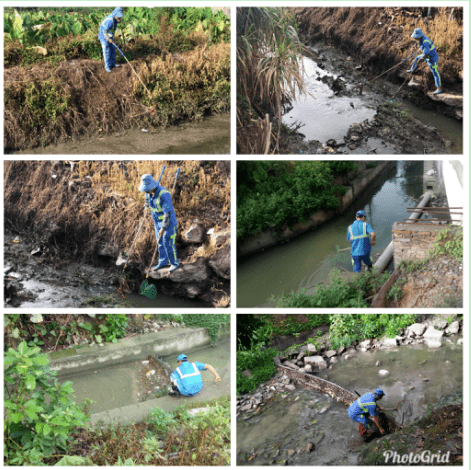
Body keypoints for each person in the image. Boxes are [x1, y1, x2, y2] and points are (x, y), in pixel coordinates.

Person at [138, 174, 180, 272]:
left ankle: (174, 263)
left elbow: (167, 213)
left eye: (146, 189)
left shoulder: (164, 194)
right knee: (160, 242)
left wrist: (163, 228)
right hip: (156, 222)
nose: (145, 191)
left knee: (168, 242)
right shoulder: (148, 192)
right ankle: (163, 262)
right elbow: (147, 200)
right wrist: (146, 206)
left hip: (168, 222)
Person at [406, 28, 443, 95]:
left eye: (416, 37)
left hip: (432, 58)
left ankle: (439, 88)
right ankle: (413, 69)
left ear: (419, 36)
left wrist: (422, 59)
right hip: (427, 55)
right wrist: (420, 51)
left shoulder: (425, 41)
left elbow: (427, 52)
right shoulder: (421, 40)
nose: (415, 38)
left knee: (435, 73)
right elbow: (424, 50)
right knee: (417, 57)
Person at [98, 7, 124, 73]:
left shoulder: (115, 19)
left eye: (120, 17)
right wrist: (108, 39)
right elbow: (104, 31)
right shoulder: (110, 21)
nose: (119, 19)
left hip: (109, 35)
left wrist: (118, 21)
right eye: (118, 17)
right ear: (115, 15)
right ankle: (107, 66)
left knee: (112, 48)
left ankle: (112, 64)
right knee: (106, 49)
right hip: (103, 36)